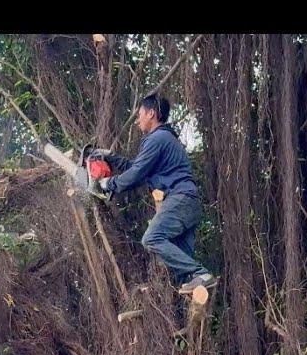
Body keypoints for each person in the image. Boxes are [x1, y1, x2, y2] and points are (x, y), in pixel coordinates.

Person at [91, 94, 216, 294]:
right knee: (182, 275)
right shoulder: (165, 139)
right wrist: (111, 157)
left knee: (151, 238)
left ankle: (202, 275)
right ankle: (197, 285)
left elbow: (136, 173)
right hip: (189, 203)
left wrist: (108, 183)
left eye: (140, 114)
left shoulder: (157, 138)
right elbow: (140, 169)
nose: (138, 119)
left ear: (151, 113)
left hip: (180, 199)